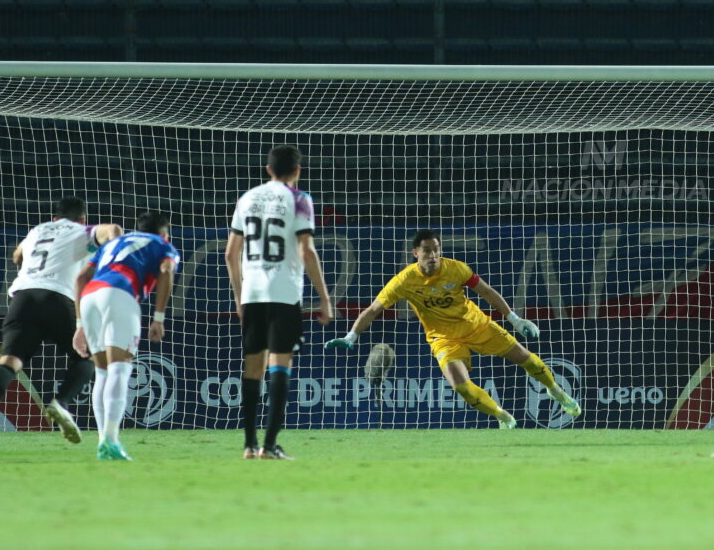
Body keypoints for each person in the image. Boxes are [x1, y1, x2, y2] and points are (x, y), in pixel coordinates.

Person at [326, 229, 580, 428]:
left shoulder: (456, 269)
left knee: (527, 359)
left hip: (477, 326)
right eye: (427, 251)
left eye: (436, 250)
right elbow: (372, 310)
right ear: (416, 253)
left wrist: (515, 319)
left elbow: (487, 291)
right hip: (444, 339)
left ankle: (556, 391)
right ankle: (502, 416)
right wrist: (351, 336)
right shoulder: (403, 281)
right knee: (461, 386)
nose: (433, 255)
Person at [0, 197, 122, 461]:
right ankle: (60, 403)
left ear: (55, 218)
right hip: (58, 298)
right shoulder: (82, 231)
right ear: (83, 219)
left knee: (9, 362)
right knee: (85, 355)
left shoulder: (37, 230)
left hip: (22, 299)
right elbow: (114, 230)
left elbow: (17, 255)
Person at [225, 144, 333, 461]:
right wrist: (324, 299)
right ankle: (269, 446)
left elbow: (231, 254)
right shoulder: (299, 200)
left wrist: (239, 295)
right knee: (280, 365)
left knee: (253, 366)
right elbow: (306, 251)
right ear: (297, 171)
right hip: (284, 292)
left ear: (268, 169)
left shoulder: (247, 198)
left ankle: (248, 444)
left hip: (253, 293)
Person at [72, 210, 179, 461]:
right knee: (120, 369)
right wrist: (159, 318)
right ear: (164, 232)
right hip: (120, 294)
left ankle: (103, 441)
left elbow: (80, 277)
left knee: (102, 372)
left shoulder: (112, 244)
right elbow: (166, 271)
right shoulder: (163, 245)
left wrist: (79, 325)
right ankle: (110, 441)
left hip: (90, 296)